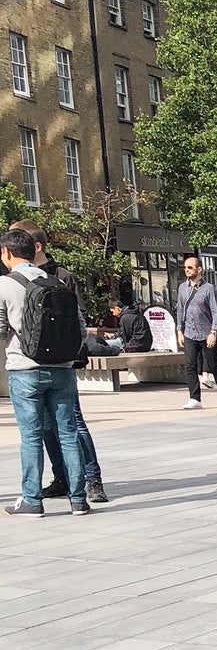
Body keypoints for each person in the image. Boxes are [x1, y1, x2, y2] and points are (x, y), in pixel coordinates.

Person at [12, 218, 108, 505]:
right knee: (43, 426)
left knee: (72, 423)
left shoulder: (62, 276)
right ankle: (62, 477)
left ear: (36, 245)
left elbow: (76, 320)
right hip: (33, 363)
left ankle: (92, 478)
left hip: (61, 362)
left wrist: (77, 355)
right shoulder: (16, 277)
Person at [1, 227, 88, 517]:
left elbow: (1, 329)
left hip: (25, 369)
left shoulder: (5, 284)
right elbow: (79, 327)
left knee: (31, 436)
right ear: (34, 250)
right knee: (68, 433)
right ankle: (78, 499)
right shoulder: (57, 281)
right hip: (62, 369)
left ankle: (32, 500)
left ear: (7, 253)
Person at [176, 253, 217, 409]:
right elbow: (180, 310)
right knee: (190, 365)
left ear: (199, 269)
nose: (186, 270)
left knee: (213, 365)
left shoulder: (208, 289)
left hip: (206, 332)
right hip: (189, 332)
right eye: (185, 267)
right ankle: (195, 398)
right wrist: (179, 330)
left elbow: (215, 311)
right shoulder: (182, 288)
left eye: (190, 267)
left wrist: (213, 331)